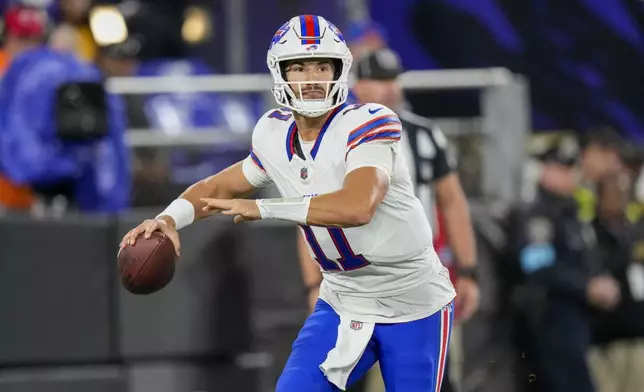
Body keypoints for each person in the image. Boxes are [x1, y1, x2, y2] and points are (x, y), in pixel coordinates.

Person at [120, 14, 456, 391]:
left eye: (321, 66)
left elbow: (358, 206)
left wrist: (264, 207)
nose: (311, 78)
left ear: (339, 70)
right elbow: (220, 186)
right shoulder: (273, 131)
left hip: (412, 300)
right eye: (298, 67)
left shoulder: (371, 121)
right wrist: (169, 219)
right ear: (280, 74)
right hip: (343, 300)